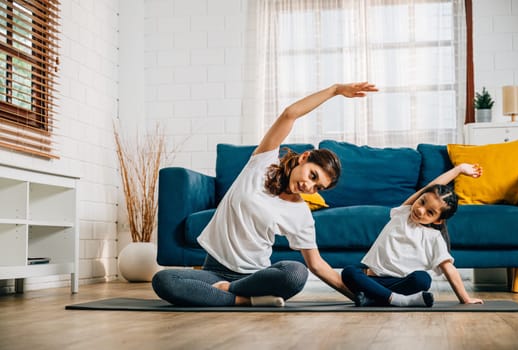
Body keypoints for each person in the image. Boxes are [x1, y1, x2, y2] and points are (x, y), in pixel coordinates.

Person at [152, 82, 378, 307]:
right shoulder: (262, 164)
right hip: (214, 271)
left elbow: (317, 265)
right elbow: (290, 114)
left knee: (295, 272)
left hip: (255, 278)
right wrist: (335, 90)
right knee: (164, 280)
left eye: (318, 187)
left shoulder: (300, 214)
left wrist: (359, 296)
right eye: (312, 175)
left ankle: (229, 293)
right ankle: (243, 301)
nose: (310, 186)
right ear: (304, 157)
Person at [341, 163, 485, 307]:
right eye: (422, 202)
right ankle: (396, 300)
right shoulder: (403, 213)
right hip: (372, 278)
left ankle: (376, 297)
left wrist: (465, 298)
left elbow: (449, 269)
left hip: (401, 283)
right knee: (349, 272)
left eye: (430, 212)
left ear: (438, 220)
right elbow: (429, 187)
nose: (421, 210)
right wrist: (458, 170)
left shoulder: (434, 238)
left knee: (423, 280)